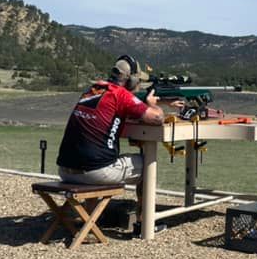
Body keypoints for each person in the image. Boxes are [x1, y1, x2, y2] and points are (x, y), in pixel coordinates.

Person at [57, 54, 176, 187]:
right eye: (138, 81)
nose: (139, 85)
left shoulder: (92, 90)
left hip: (65, 170)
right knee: (147, 163)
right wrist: (152, 103)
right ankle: (144, 208)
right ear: (131, 80)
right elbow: (157, 118)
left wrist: (163, 101)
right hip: (95, 172)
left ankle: (95, 208)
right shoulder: (121, 94)